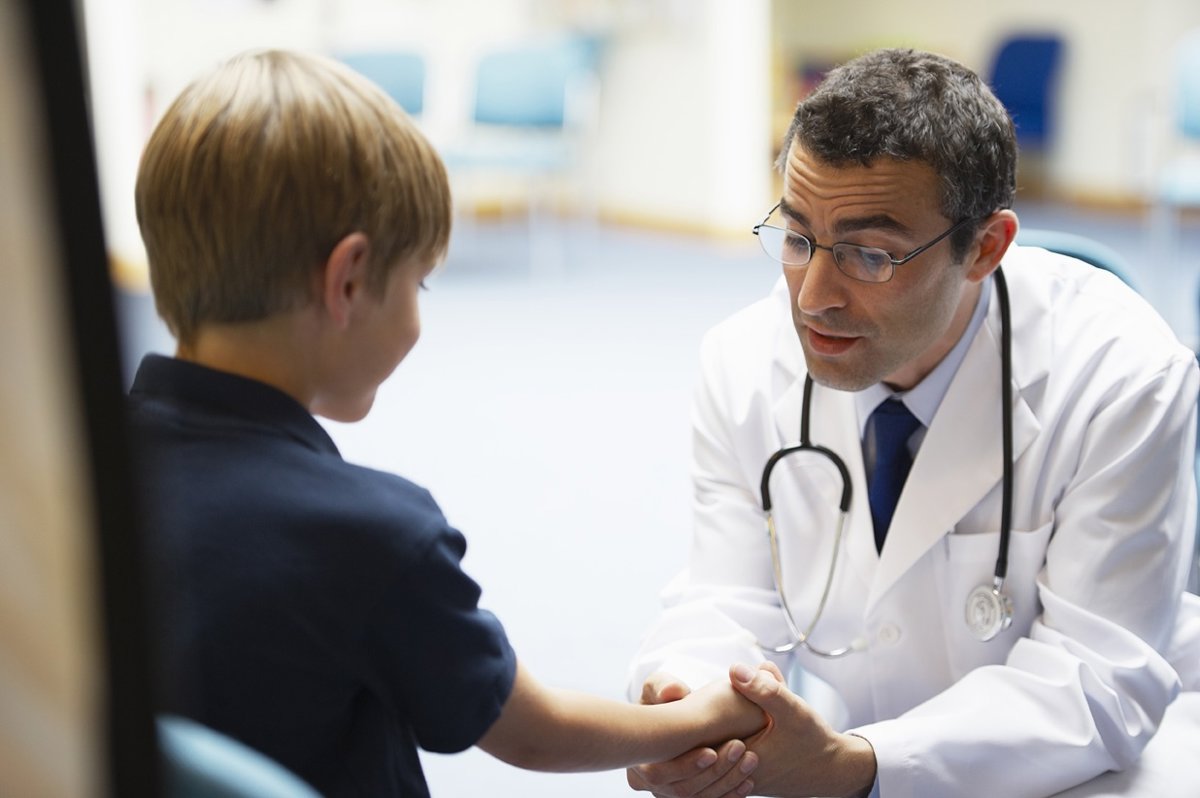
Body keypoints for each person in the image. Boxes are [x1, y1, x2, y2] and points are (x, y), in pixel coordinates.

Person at [127, 49, 766, 797]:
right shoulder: (371, 537)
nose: (420, 311)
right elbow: (534, 731)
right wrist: (708, 714)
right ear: (348, 282)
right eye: (419, 282)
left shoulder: (72, 471)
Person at [626, 48, 1200, 798]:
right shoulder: (742, 362)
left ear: (985, 248)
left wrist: (858, 765)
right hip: (863, 740)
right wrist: (687, 704)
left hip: (1104, 755)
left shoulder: (1122, 376)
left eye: (869, 255)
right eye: (796, 239)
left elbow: (1098, 680)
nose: (812, 298)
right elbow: (728, 597)